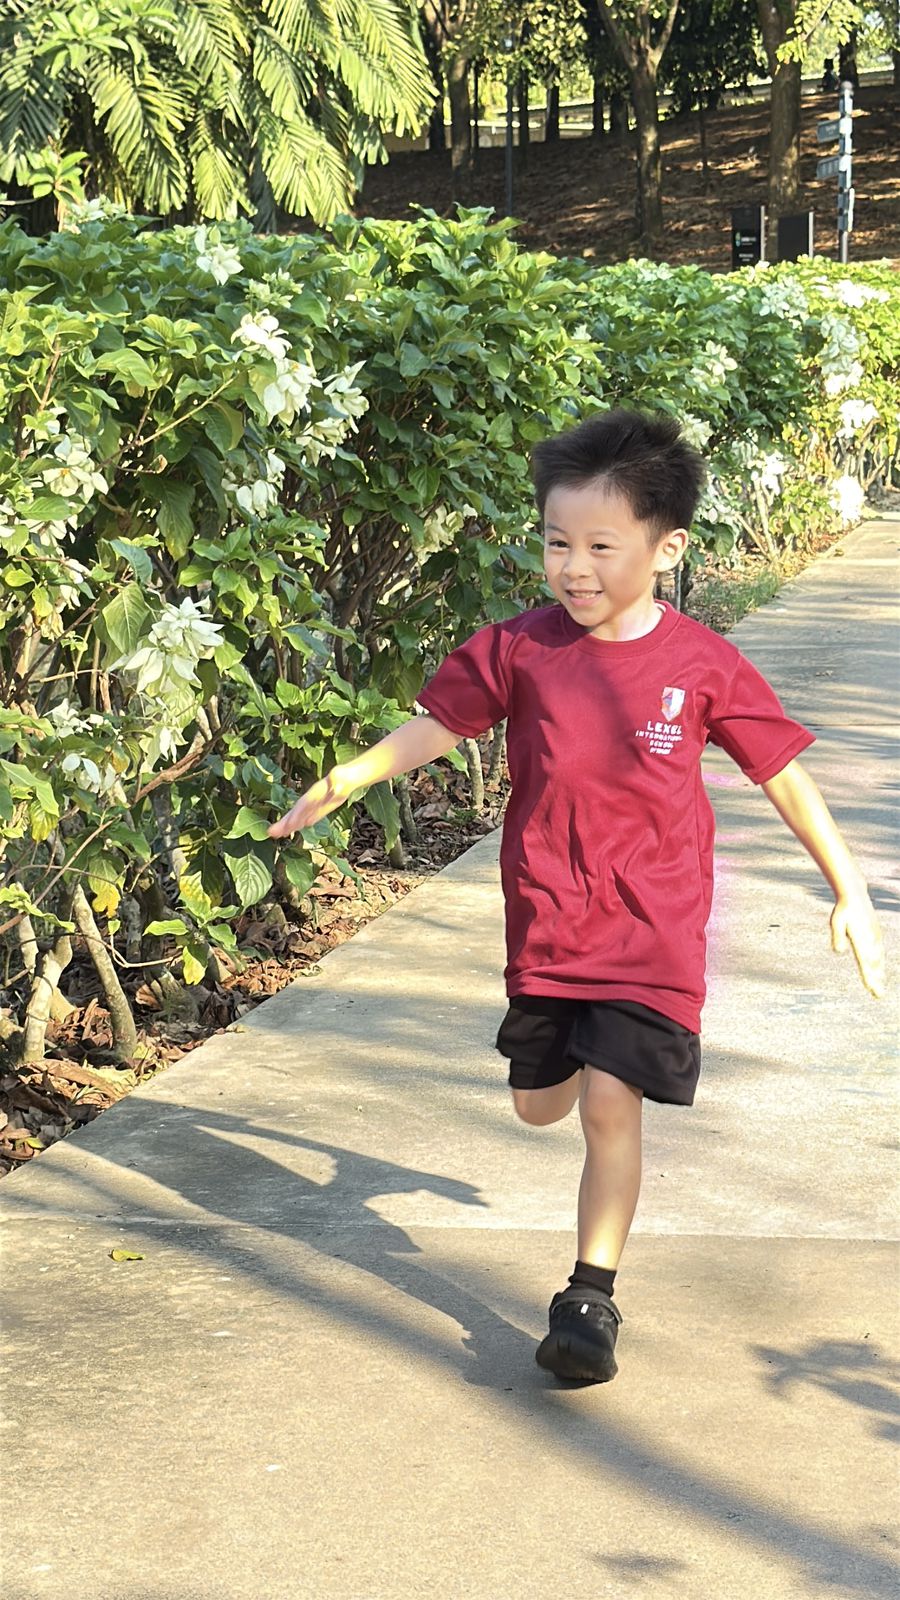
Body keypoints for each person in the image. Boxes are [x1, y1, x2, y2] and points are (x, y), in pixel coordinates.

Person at [268, 409, 885, 1385]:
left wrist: (850, 889)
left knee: (610, 1102)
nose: (575, 566)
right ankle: (555, 1111)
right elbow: (437, 725)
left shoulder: (701, 666)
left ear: (666, 547)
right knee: (537, 1105)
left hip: (656, 933)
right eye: (558, 542)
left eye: (602, 545)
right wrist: (350, 775)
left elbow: (784, 776)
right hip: (550, 924)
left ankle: (590, 1296)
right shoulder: (521, 649)